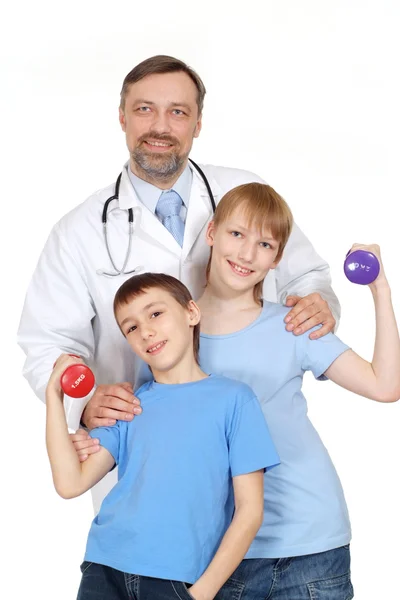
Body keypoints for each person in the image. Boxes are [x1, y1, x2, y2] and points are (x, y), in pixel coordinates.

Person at [19, 54, 340, 511]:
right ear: (122, 117)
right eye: (145, 109)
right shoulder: (78, 230)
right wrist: (86, 401)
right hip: (148, 458)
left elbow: (308, 275)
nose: (160, 126)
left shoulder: (243, 192)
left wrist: (316, 302)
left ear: (198, 123)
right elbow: (47, 342)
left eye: (178, 112)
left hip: (258, 454)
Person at [76, 183, 400, 598]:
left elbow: (385, 386)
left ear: (277, 257)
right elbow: (141, 431)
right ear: (211, 231)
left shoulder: (294, 325)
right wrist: (88, 414)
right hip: (215, 550)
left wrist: (381, 290)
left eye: (264, 243)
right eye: (236, 234)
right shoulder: (162, 330)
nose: (247, 254)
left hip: (309, 540)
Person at [46, 273, 280, 600]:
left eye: (155, 313)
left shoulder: (235, 400)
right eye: (131, 327)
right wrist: (55, 400)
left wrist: (202, 593)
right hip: (104, 567)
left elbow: (250, 511)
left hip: (177, 579)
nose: (146, 331)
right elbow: (70, 483)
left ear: (191, 313)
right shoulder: (130, 406)